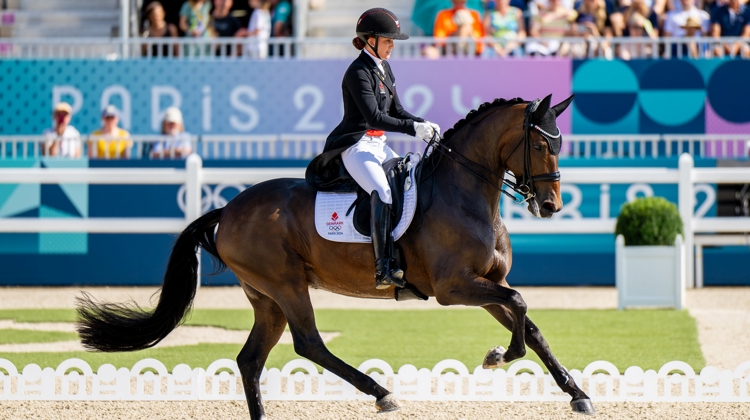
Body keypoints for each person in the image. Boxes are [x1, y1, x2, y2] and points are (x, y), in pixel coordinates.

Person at [305, 8, 440, 290]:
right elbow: (374, 117)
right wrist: (412, 129)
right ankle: (384, 267)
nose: (392, 45)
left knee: (408, 185)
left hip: (379, 145)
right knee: (383, 191)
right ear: (370, 40)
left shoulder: (384, 68)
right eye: (388, 40)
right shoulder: (357, 72)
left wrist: (422, 122)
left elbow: (397, 110)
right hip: (356, 145)